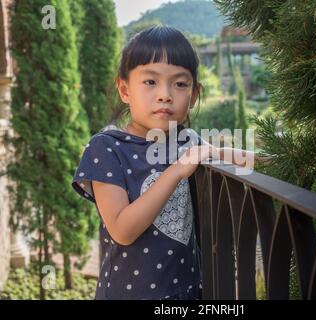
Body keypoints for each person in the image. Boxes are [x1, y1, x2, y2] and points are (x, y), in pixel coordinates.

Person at [71, 26, 255, 300]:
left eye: (180, 84)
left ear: (193, 95)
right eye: (150, 82)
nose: (165, 94)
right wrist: (176, 171)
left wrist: (292, 158)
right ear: (124, 89)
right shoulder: (107, 147)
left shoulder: (187, 140)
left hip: (188, 293)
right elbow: (122, 230)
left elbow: (239, 158)